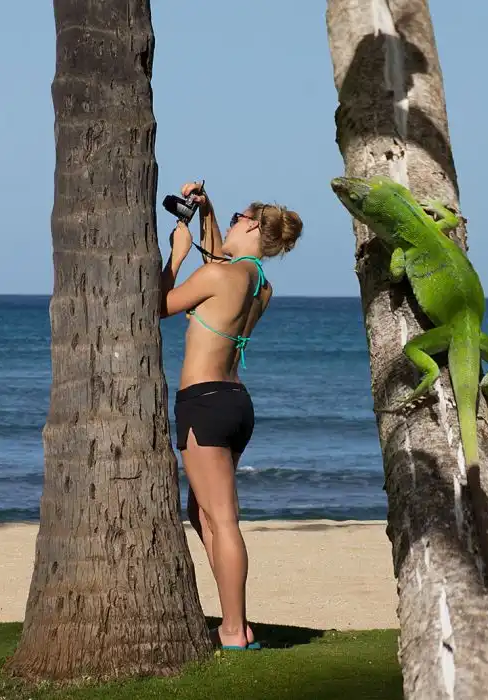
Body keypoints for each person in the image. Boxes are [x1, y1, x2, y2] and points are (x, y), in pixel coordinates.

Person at [160, 182, 302, 649]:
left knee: (221, 519)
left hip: (203, 402)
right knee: (201, 512)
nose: (235, 222)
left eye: (240, 217)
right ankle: (233, 617)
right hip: (235, 403)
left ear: (255, 226)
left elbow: (158, 305)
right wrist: (209, 211)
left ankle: (235, 631)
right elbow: (223, 261)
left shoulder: (218, 277)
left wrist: (177, 255)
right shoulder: (260, 285)